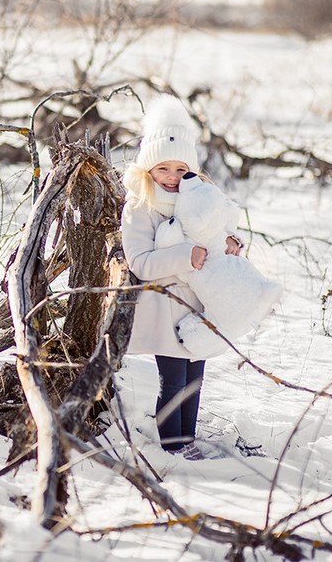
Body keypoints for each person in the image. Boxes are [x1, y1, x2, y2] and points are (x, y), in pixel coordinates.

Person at [120, 95, 243, 458]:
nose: (172, 178)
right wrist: (184, 257)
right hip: (164, 308)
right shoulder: (140, 207)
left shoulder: (199, 199)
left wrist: (232, 242)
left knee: (194, 378)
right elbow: (140, 263)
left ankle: (187, 441)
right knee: (172, 380)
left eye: (180, 170)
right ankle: (171, 447)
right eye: (163, 169)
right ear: (147, 169)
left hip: (198, 307)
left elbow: (215, 234)